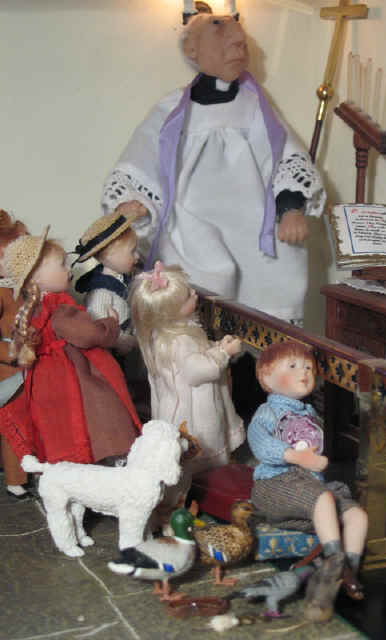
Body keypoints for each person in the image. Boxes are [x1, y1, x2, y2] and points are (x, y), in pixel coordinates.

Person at [101, 3, 326, 326]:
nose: (238, 47)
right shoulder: (172, 111)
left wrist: (290, 206)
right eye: (220, 32)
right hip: (192, 222)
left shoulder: (255, 108)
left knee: (273, 277)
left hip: (254, 224)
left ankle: (259, 366)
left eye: (239, 41)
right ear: (191, 48)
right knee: (193, 290)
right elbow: (141, 159)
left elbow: (285, 155)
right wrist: (129, 202)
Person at [2, 228, 142, 465]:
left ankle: (76, 464)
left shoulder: (30, 310)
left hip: (46, 380)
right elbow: (88, 334)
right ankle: (107, 462)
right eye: (61, 265)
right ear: (36, 276)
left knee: (61, 426)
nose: (69, 270)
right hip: (73, 376)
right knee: (100, 414)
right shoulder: (59, 309)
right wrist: (110, 323)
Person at [247, 341, 368, 600]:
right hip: (276, 484)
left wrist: (316, 462)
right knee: (322, 499)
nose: (304, 373)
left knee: (357, 515)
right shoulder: (267, 412)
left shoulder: (310, 412)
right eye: (292, 366)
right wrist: (297, 457)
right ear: (267, 376)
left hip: (311, 486)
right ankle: (337, 563)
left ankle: (349, 572)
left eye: (308, 368)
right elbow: (261, 444)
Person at [129, 261, 245, 475]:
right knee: (199, 442)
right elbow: (196, 371)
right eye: (188, 296)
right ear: (172, 312)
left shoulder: (167, 333)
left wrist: (216, 346)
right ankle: (204, 475)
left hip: (176, 400)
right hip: (193, 408)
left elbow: (192, 359)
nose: (194, 293)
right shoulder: (180, 339)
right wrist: (224, 353)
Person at [74, 206, 146, 356]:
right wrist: (122, 341)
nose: (137, 256)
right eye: (132, 251)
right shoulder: (100, 293)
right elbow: (99, 328)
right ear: (110, 256)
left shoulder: (125, 278)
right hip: (113, 353)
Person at [0, 211, 34, 499]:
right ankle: (15, 477)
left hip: (29, 364)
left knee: (28, 421)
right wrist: (13, 353)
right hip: (9, 372)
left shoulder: (22, 290)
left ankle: (27, 470)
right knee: (13, 424)